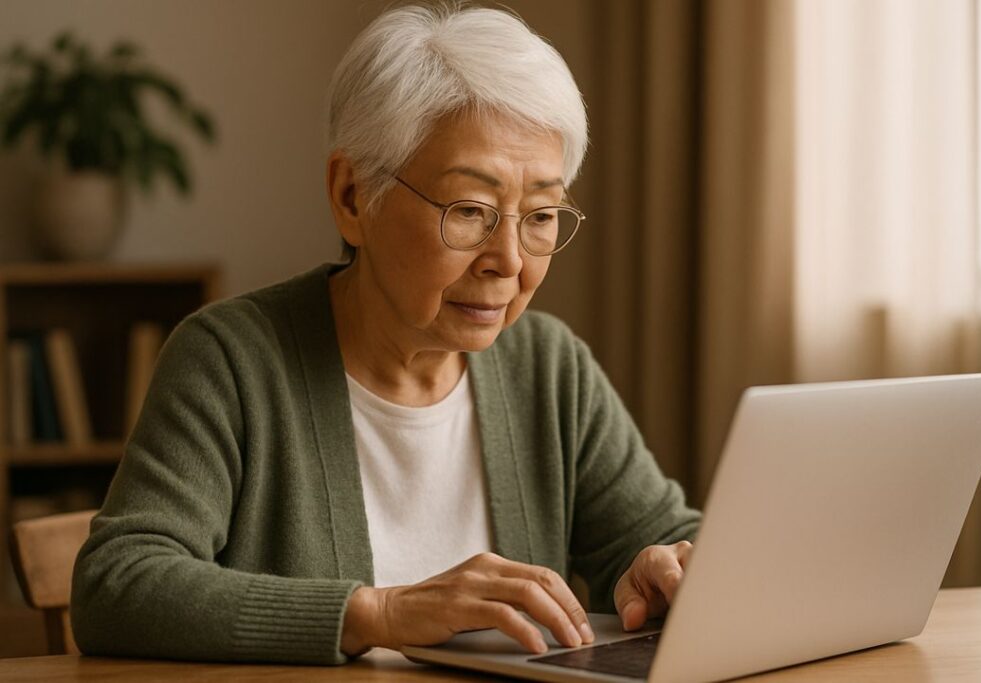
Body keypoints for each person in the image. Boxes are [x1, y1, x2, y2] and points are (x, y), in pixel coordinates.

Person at [71, 3, 701, 665]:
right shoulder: (232, 360)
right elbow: (119, 582)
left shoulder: (547, 367)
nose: (509, 260)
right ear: (352, 197)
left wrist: (663, 570)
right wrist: (381, 612)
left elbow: (662, 539)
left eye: (541, 214)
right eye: (470, 210)